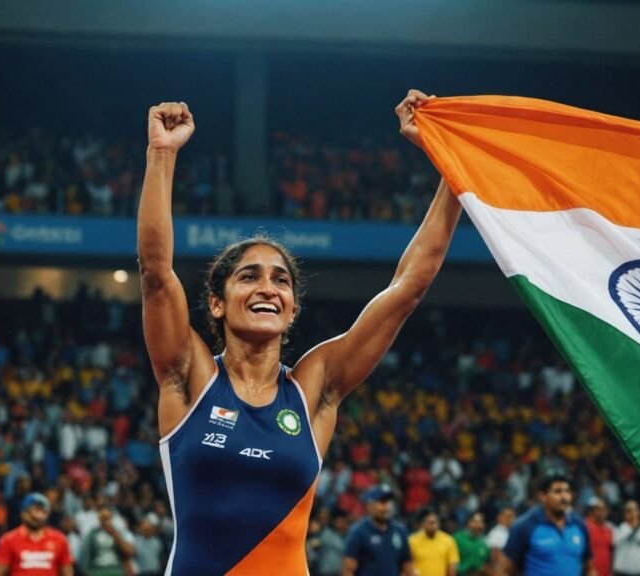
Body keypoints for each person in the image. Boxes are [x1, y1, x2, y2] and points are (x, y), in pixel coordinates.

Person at [139, 90, 461, 575]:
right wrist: (162, 156)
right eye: (249, 276)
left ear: (292, 310)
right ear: (216, 303)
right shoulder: (189, 374)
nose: (268, 287)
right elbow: (156, 273)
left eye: (281, 279)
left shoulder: (314, 388)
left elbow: (407, 288)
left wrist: (454, 171)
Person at [501, 470, 594, 576]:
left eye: (567, 491)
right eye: (557, 492)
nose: (564, 497)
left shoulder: (579, 526)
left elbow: (589, 569)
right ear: (543, 496)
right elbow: (504, 570)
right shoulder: (524, 526)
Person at [0, 493, 73, 576]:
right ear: (23, 513)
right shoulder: (8, 540)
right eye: (32, 511)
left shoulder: (60, 540)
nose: (37, 515)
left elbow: (67, 573)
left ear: (47, 514)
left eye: (42, 511)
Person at [342, 485, 412, 576]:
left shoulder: (400, 531)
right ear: (369, 506)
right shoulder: (358, 531)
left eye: (388, 502)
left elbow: (407, 567)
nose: (386, 507)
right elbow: (348, 570)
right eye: (382, 502)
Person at [78, 506, 136, 576]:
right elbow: (84, 554)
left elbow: (129, 552)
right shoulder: (92, 534)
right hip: (97, 570)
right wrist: (86, 571)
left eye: (108, 518)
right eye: (104, 518)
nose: (106, 521)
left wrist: (115, 535)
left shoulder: (117, 532)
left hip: (116, 569)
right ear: (99, 520)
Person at [408, 508, 460, 576]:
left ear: (439, 524)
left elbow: (452, 566)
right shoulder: (412, 541)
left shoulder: (448, 541)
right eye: (429, 522)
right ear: (423, 523)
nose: (431, 526)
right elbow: (407, 564)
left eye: (433, 522)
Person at [612, 500, 640, 576]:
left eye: (636, 510)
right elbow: (615, 542)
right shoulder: (620, 528)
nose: (633, 514)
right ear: (625, 514)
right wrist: (633, 528)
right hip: (622, 573)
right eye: (630, 511)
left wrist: (636, 527)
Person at [454, 511, 490, 576]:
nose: (478, 525)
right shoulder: (458, 538)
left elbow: (486, 564)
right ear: (469, 522)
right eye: (475, 522)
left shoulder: (485, 543)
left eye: (480, 522)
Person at [584, 496, 613, 576]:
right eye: (598, 509)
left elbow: (611, 552)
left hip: (606, 572)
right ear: (592, 511)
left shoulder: (609, 529)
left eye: (604, 509)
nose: (602, 512)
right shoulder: (585, 527)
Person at [486, 505, 515, 571]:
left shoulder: (511, 531)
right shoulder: (496, 533)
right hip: (500, 569)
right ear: (499, 518)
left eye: (513, 517)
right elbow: (495, 556)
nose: (511, 519)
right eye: (508, 517)